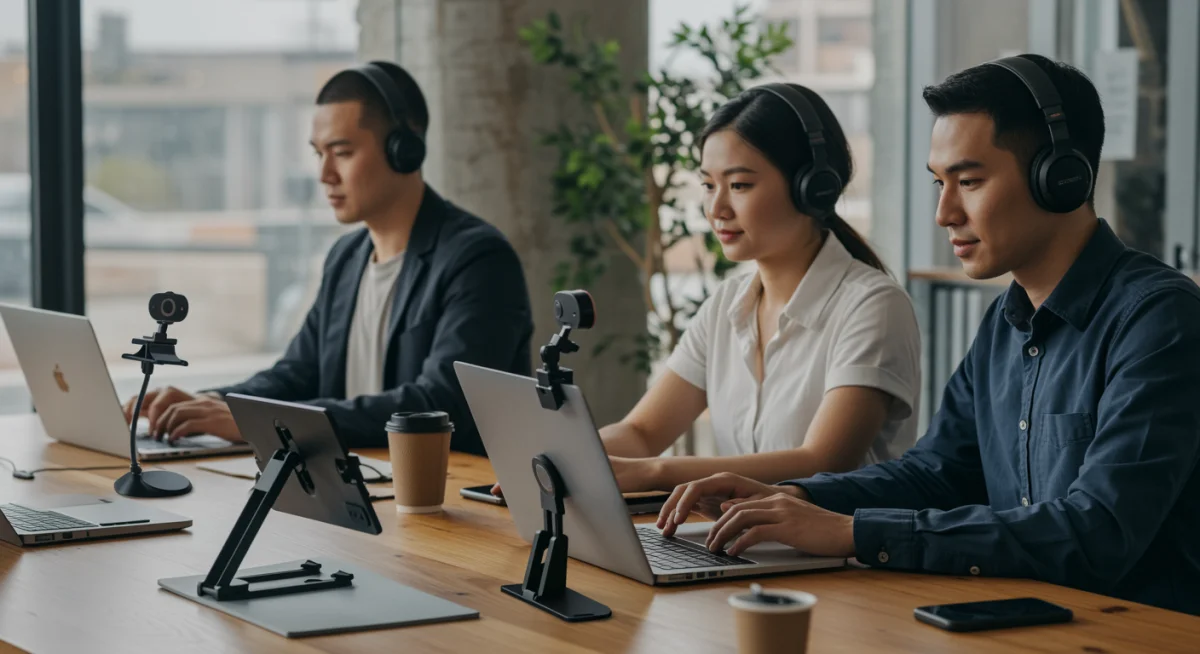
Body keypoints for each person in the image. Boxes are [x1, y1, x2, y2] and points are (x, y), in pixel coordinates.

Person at [659, 54, 1200, 616]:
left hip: (1137, 634)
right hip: (1023, 619)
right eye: (940, 183)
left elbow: (1098, 530)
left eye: (968, 181)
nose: (944, 212)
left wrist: (854, 533)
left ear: (1060, 178)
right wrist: (796, 498)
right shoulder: (1004, 323)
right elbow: (938, 473)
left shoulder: (1159, 319)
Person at [504, 83, 921, 495]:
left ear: (812, 188)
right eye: (707, 185)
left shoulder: (872, 306)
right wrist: (554, 464)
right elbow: (642, 431)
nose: (717, 209)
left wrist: (653, 473)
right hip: (737, 548)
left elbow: (822, 462)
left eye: (739, 185)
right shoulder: (726, 305)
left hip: (841, 557)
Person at [124, 61, 534, 456]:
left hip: (448, 502)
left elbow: (441, 404)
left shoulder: (478, 260)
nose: (324, 174)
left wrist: (261, 423)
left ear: (403, 150)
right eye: (318, 153)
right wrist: (210, 403)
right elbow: (296, 375)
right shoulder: (347, 258)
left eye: (342, 152)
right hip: (356, 489)